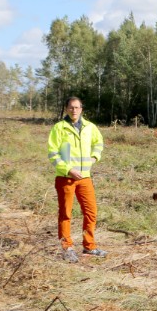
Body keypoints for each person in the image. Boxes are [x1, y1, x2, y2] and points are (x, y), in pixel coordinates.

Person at [47, 96, 107, 262]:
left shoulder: (90, 127)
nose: (74, 110)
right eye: (71, 107)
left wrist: (95, 157)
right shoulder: (59, 128)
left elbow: (98, 143)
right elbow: (53, 154)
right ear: (66, 109)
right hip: (65, 178)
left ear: (81, 109)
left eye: (77, 107)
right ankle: (67, 248)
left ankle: (89, 246)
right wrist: (69, 170)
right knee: (66, 213)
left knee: (91, 212)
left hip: (85, 178)